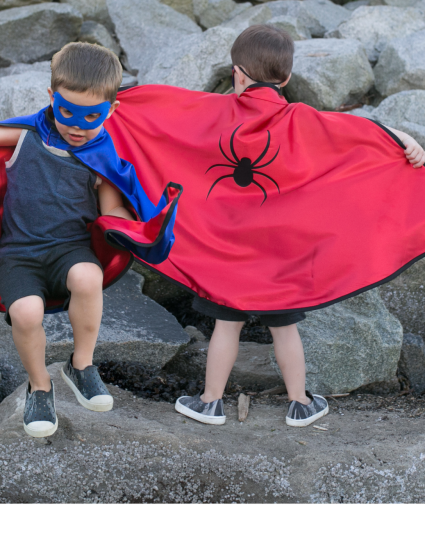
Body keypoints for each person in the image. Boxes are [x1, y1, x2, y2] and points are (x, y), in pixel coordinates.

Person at [174, 25, 425, 427]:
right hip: (282, 258)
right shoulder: (301, 119)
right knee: (285, 331)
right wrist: (400, 137)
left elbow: (171, 114)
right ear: (287, 79)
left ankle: (210, 402)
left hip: (228, 255)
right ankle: (300, 404)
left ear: (237, 74)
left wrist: (121, 107)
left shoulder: (216, 114)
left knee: (226, 326)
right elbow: (355, 132)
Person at [0, 42, 169, 438]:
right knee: (27, 313)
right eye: (66, 110)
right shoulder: (26, 135)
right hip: (17, 255)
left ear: (111, 111)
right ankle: (40, 385)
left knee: (89, 278)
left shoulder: (102, 157)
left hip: (70, 250)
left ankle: (81, 366)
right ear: (51, 97)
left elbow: (112, 210)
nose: (76, 124)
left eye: (91, 117)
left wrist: (137, 227)